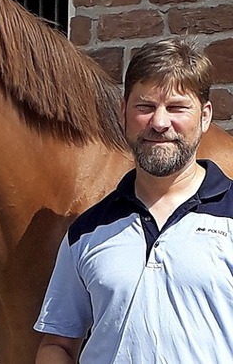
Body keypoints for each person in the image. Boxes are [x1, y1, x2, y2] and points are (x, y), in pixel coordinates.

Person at [34, 37, 233, 363]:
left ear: (205, 116)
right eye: (145, 107)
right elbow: (58, 344)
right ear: (123, 112)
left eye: (177, 107)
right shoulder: (87, 231)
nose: (159, 122)